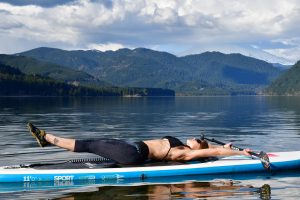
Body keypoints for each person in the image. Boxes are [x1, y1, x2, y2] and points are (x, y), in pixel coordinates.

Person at [27, 123, 252, 165]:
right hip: (130, 148)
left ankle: (46, 138)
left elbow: (212, 150)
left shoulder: (185, 155)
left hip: (133, 154)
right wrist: (231, 147)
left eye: (198, 140)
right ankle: (47, 139)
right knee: (97, 141)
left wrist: (239, 152)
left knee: (91, 144)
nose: (195, 137)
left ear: (196, 148)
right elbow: (211, 150)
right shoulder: (184, 147)